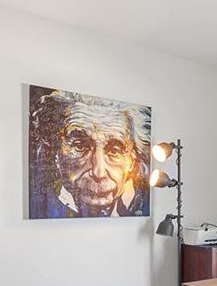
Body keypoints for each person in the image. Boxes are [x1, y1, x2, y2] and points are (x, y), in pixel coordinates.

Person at [28, 86, 151, 218]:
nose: (99, 173)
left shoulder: (143, 207)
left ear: (133, 159)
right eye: (80, 146)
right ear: (56, 153)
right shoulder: (38, 208)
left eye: (114, 150)